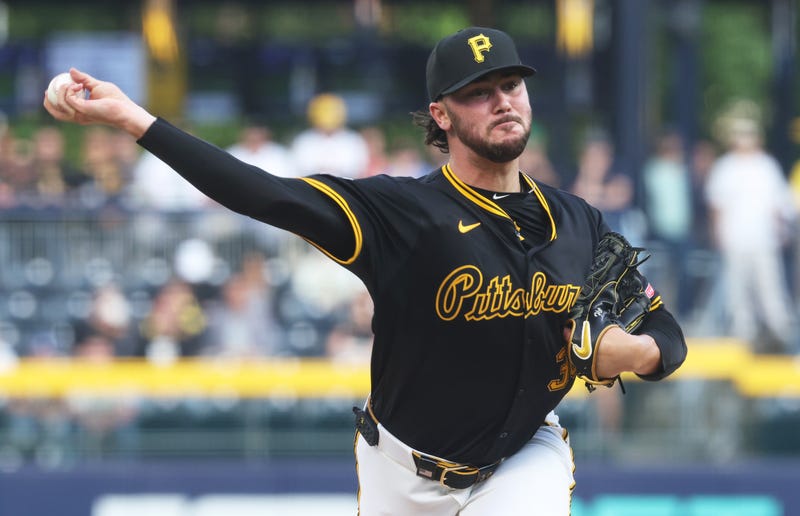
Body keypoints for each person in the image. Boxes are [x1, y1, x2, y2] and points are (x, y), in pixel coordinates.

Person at [44, 26, 686, 516]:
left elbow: (670, 336)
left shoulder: (578, 223)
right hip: (400, 470)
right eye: (479, 92)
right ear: (442, 114)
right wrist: (135, 120)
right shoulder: (401, 213)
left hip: (524, 455)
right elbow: (267, 194)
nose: (502, 101)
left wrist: (634, 353)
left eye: (510, 85)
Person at [705, 116, 797, 353]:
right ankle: (742, 339)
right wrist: (718, 234)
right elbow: (717, 206)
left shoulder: (766, 165)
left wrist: (781, 231)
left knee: (770, 290)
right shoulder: (726, 166)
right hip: (735, 239)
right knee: (738, 293)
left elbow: (778, 204)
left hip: (764, 239)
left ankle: (781, 335)